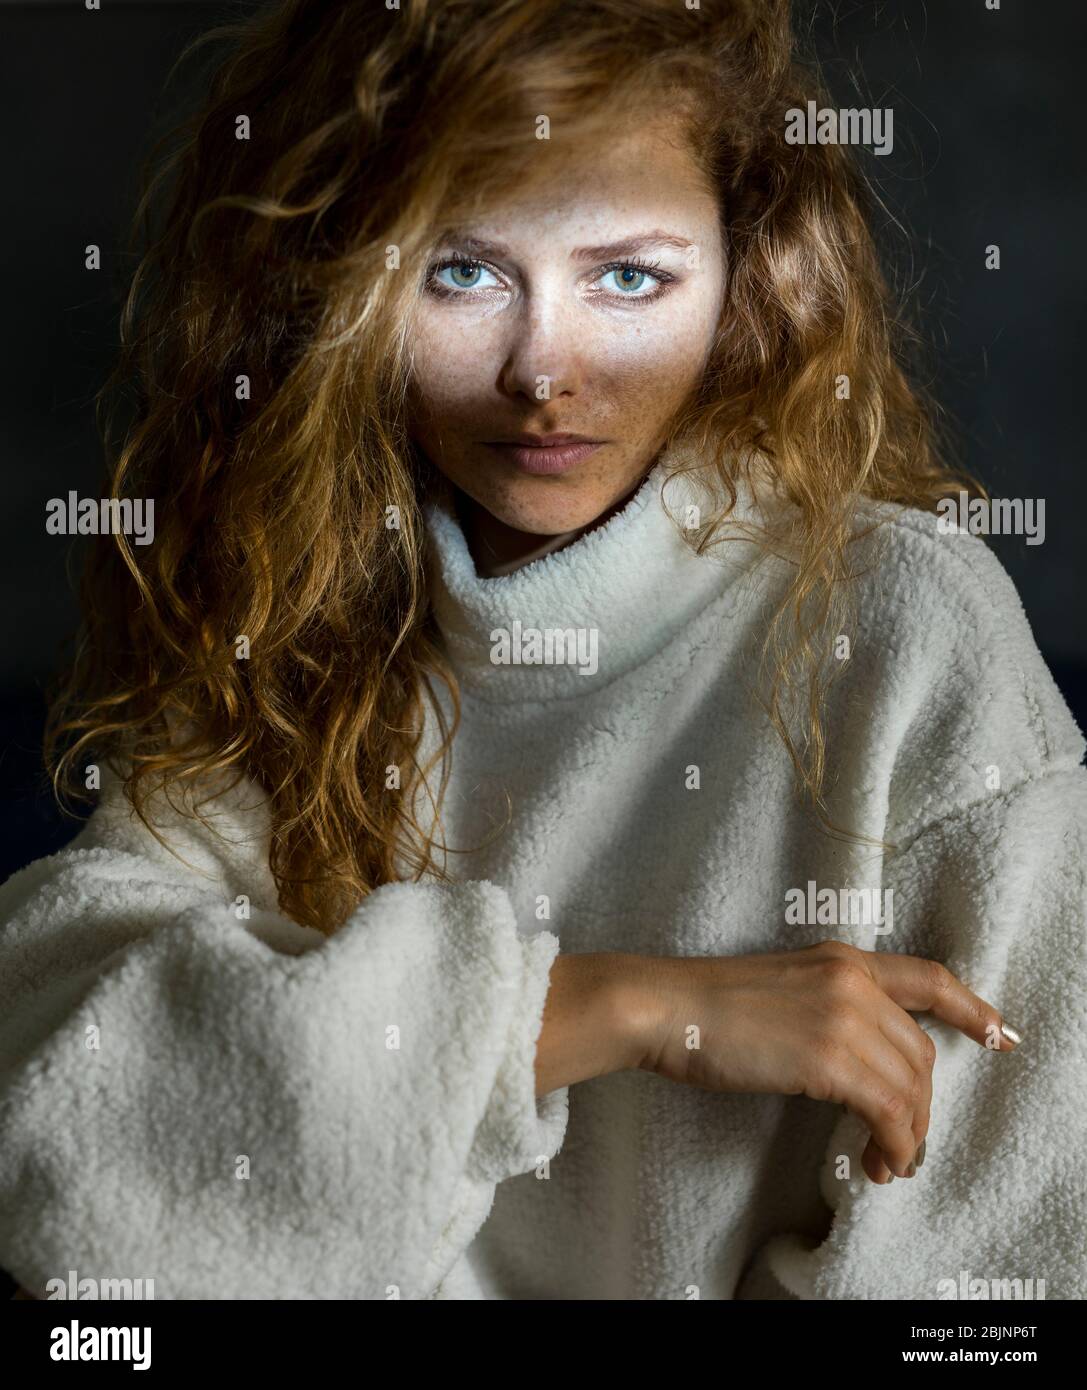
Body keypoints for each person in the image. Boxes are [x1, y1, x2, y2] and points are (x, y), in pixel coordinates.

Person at [2, 0, 1084, 1301]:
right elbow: (58, 1108)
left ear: (746, 276)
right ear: (343, 289)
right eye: (461, 273)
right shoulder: (293, 625)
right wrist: (605, 1009)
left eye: (629, 276)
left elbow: (1005, 1282)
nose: (542, 373)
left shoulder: (911, 635)